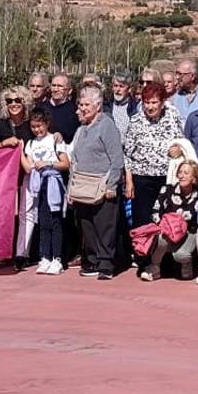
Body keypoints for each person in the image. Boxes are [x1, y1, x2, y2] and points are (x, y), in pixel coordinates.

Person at [122, 82, 186, 280]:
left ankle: (165, 263)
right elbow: (128, 154)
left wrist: (179, 148)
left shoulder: (173, 115)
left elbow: (182, 141)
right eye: (146, 102)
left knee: (168, 220)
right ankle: (145, 262)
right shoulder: (135, 121)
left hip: (168, 178)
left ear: (162, 102)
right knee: (143, 221)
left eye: (154, 102)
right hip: (142, 179)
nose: (150, 106)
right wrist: (130, 181)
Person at [68, 85, 125, 280]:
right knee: (87, 227)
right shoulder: (81, 129)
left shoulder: (107, 125)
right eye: (80, 104)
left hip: (103, 186)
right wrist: (70, 190)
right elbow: (74, 162)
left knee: (105, 227)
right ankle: (90, 262)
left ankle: (106, 264)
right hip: (82, 186)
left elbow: (117, 159)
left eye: (86, 104)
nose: (82, 108)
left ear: (98, 106)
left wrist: (112, 185)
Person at [21, 108, 70, 274]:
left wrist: (48, 163)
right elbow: (28, 167)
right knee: (42, 222)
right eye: (34, 126)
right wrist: (20, 151)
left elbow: (65, 163)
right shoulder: (31, 143)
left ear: (47, 124)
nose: (37, 129)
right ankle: (44, 257)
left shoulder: (55, 140)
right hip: (38, 186)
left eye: (40, 126)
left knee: (55, 222)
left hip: (53, 184)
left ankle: (57, 259)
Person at [148, 160, 198, 281]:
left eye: (186, 173)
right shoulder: (167, 190)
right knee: (161, 239)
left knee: (181, 255)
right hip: (168, 231)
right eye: (180, 172)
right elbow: (155, 211)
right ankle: (154, 267)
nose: (182, 175)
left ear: (194, 178)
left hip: (189, 232)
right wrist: (163, 225)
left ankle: (187, 263)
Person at [46, 74, 81, 143]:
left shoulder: (75, 111)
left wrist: (62, 135)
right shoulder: (41, 107)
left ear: (69, 90)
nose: (55, 89)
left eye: (60, 86)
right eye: (53, 85)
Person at [104, 73, 139, 138]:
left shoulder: (135, 108)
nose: (118, 90)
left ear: (129, 89)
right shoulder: (106, 107)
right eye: (115, 86)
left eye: (121, 86)